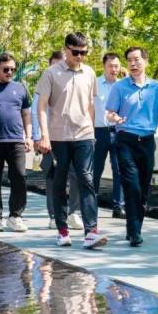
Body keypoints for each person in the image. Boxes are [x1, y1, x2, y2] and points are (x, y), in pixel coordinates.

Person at [37, 32, 106, 249]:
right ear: (66, 49)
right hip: (58, 137)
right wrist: (44, 135)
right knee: (59, 182)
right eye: (76, 52)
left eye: (84, 52)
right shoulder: (51, 73)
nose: (80, 56)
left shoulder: (90, 73)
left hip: (84, 135)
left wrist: (92, 131)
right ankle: (62, 231)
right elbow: (41, 107)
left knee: (86, 179)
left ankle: (91, 232)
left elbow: (90, 105)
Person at [106, 46, 158, 247]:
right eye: (129, 60)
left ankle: (133, 229)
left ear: (145, 61)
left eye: (136, 59)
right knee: (132, 186)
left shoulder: (156, 87)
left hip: (147, 141)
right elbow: (109, 113)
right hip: (125, 140)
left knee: (143, 189)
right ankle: (135, 233)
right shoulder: (120, 87)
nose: (133, 64)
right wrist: (116, 118)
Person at [32, 51, 83, 231]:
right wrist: (38, 137)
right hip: (50, 139)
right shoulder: (45, 83)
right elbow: (35, 112)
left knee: (77, 175)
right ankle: (54, 215)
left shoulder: (75, 81)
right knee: (53, 176)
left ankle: (73, 213)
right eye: (55, 65)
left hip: (74, 136)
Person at [0, 53, 33, 232]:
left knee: (19, 176)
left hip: (16, 140)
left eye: (13, 69)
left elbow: (26, 114)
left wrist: (28, 136)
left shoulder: (20, 88)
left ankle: (15, 216)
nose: (10, 72)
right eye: (6, 69)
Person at [93, 52, 125, 219]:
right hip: (98, 131)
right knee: (95, 169)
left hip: (118, 131)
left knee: (119, 169)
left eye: (116, 66)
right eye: (111, 66)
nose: (114, 69)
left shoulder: (124, 85)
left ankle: (119, 206)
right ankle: (90, 204)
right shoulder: (95, 84)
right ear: (104, 66)